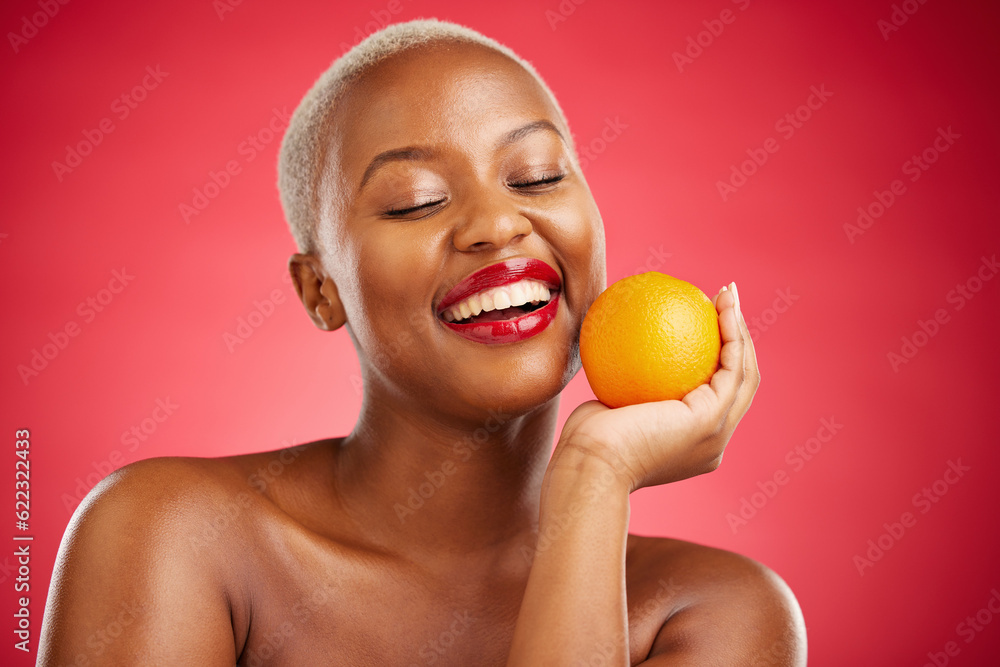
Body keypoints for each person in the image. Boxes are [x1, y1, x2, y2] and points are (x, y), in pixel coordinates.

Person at [38, 18, 806, 666]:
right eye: (416, 202)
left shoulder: (713, 613)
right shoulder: (171, 535)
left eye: (536, 177)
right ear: (320, 289)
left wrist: (595, 476)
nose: (498, 225)